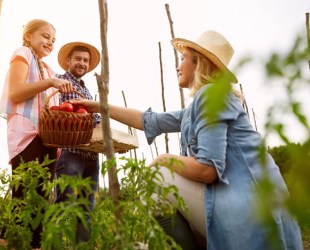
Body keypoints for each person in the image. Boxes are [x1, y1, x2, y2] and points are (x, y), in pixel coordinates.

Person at [71, 30, 303, 249]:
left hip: (250, 217)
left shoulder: (211, 96)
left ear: (198, 63)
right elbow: (148, 120)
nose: (178, 65)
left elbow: (207, 170)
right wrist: (99, 106)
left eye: (183, 58)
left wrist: (163, 159)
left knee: (157, 178)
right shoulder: (202, 104)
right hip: (252, 213)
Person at [0, 19, 75, 249]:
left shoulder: (49, 69)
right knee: (23, 193)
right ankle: (6, 242)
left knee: (41, 196)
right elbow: (16, 92)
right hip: (27, 132)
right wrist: (50, 82)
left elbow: (53, 105)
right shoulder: (23, 53)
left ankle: (35, 245)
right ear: (28, 36)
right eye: (45, 36)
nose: (50, 42)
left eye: (53, 39)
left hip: (48, 136)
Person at [54, 42, 101, 243]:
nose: (82, 63)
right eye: (78, 59)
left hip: (91, 154)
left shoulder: (86, 90)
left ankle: (82, 246)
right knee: (64, 202)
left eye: (85, 60)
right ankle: (52, 244)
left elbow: (96, 120)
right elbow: (55, 110)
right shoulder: (59, 81)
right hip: (71, 152)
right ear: (68, 61)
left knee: (86, 207)